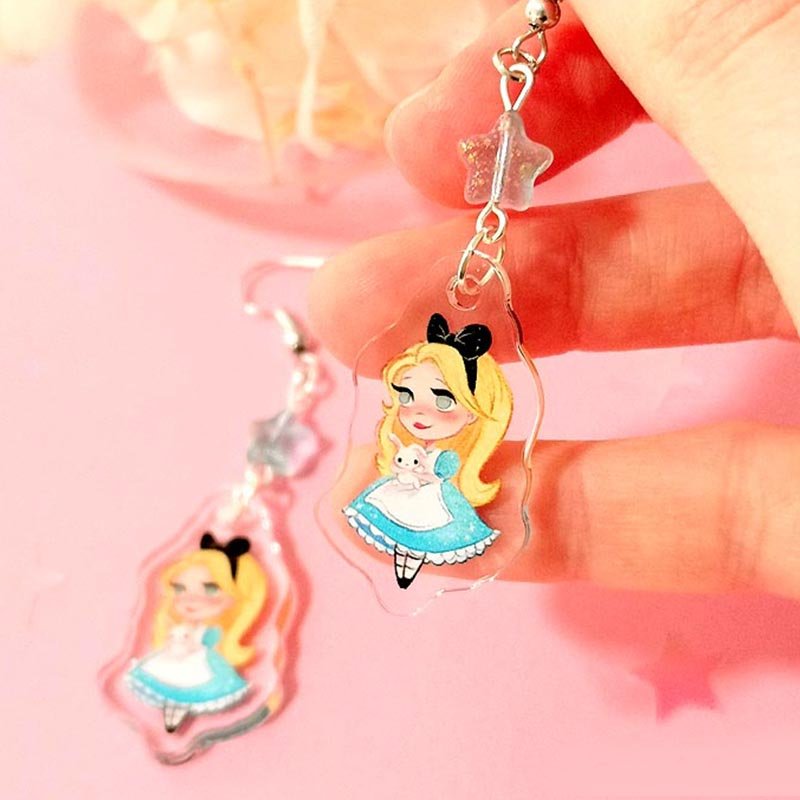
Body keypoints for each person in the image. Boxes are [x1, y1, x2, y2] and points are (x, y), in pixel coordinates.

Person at [311, 1, 800, 598]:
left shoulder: (449, 460)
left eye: (439, 397)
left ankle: (412, 555)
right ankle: (406, 556)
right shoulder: (409, 446)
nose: (421, 408)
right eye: (413, 393)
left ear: (477, 408)